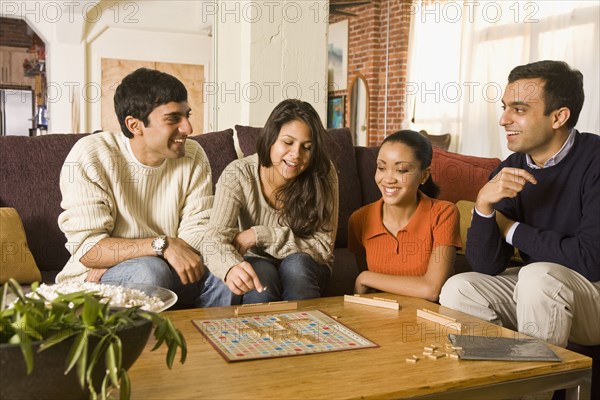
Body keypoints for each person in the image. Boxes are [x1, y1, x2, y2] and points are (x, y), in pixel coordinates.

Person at [440, 60, 600, 347]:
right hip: (537, 290)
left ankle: (532, 390)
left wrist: (511, 229)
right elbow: (486, 265)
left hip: (592, 290)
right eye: (505, 108)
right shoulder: (510, 168)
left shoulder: (595, 160)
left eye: (519, 109)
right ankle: (493, 381)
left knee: (537, 277)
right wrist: (484, 207)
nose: (504, 120)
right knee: (459, 288)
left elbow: (590, 260)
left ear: (558, 117)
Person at [56, 68, 232, 308]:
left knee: (226, 273)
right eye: (173, 119)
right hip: (96, 278)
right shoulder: (91, 155)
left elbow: (196, 232)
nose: (188, 128)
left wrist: (122, 251)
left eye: (187, 115)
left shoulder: (193, 154)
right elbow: (90, 250)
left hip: (170, 267)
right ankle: (146, 346)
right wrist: (163, 245)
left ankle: (208, 342)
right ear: (135, 125)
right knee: (150, 270)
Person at [200, 99, 339, 303]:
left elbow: (322, 247)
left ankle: (306, 333)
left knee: (295, 267)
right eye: (288, 142)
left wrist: (259, 235)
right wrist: (229, 266)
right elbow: (213, 239)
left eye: (307, 147)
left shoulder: (323, 173)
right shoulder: (238, 174)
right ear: (271, 138)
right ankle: (260, 335)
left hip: (307, 264)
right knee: (261, 280)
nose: (296, 155)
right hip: (258, 259)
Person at [348, 130, 461, 302]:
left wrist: (365, 277)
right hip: (379, 318)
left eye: (401, 170)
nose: (388, 179)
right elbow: (368, 294)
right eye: (381, 167)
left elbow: (432, 289)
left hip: (426, 319)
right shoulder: (359, 219)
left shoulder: (444, 214)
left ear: (423, 176)